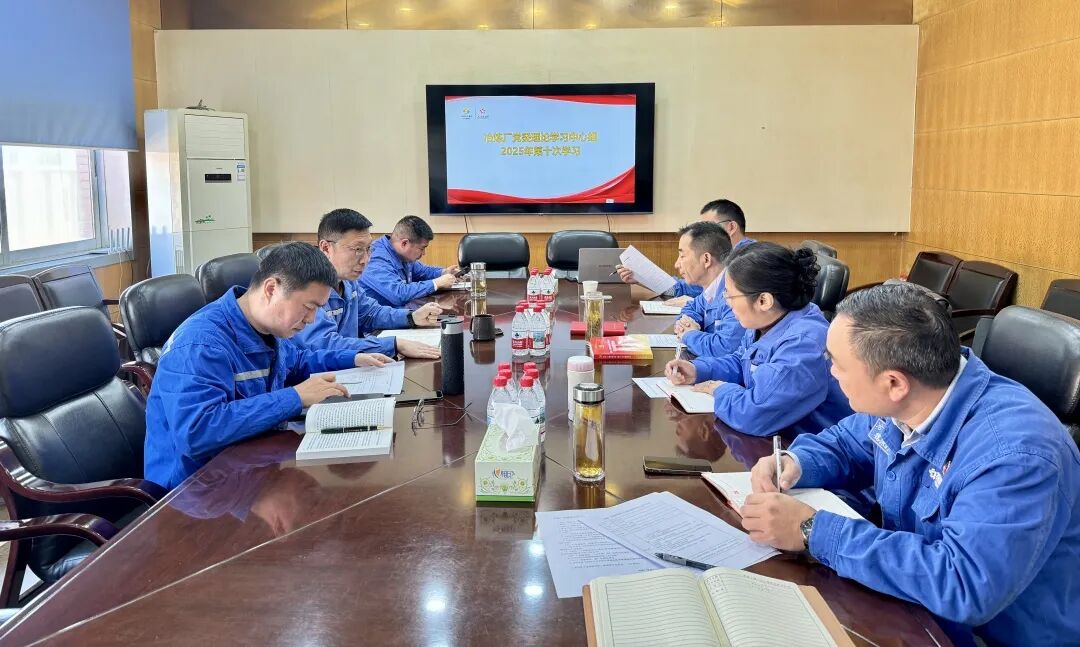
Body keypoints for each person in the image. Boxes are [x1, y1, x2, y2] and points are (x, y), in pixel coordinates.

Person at [741, 283, 1080, 646]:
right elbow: (848, 443)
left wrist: (812, 530)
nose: (831, 372)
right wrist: (795, 460)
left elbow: (963, 584)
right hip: (907, 603)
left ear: (894, 383)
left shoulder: (1016, 455)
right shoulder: (914, 395)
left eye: (836, 362)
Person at [145, 242, 393, 489]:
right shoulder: (200, 344)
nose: (311, 320)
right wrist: (295, 397)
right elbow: (197, 432)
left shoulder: (265, 327)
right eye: (309, 307)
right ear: (272, 289)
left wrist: (352, 358)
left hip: (250, 467)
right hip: (195, 491)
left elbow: (295, 362)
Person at [665, 242, 852, 439]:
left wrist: (720, 390)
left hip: (804, 447)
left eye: (730, 296)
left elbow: (753, 414)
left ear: (763, 301)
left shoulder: (803, 345)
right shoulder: (769, 320)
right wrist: (699, 370)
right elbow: (742, 362)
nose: (727, 303)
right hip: (778, 438)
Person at [293, 208, 441, 360]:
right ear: (326, 248)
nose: (365, 259)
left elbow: (371, 313)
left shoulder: (348, 280)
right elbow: (325, 345)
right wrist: (393, 345)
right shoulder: (307, 286)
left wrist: (412, 317)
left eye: (368, 249)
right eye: (357, 249)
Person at [617, 199, 752, 306]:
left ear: (731, 227)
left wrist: (694, 304)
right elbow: (685, 288)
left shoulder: (750, 260)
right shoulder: (719, 258)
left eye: (710, 226)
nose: (702, 233)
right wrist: (642, 277)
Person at [665, 221, 745, 358]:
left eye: (682, 256)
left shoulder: (736, 294)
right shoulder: (712, 287)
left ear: (706, 259)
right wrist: (688, 322)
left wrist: (689, 334)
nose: (677, 264)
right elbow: (692, 307)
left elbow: (724, 349)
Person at [359, 215, 461, 307]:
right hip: (378, 319)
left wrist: (443, 272)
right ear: (404, 243)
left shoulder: (403, 255)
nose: (424, 253)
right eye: (422, 248)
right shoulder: (376, 259)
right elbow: (398, 294)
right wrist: (435, 283)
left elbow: (423, 271)